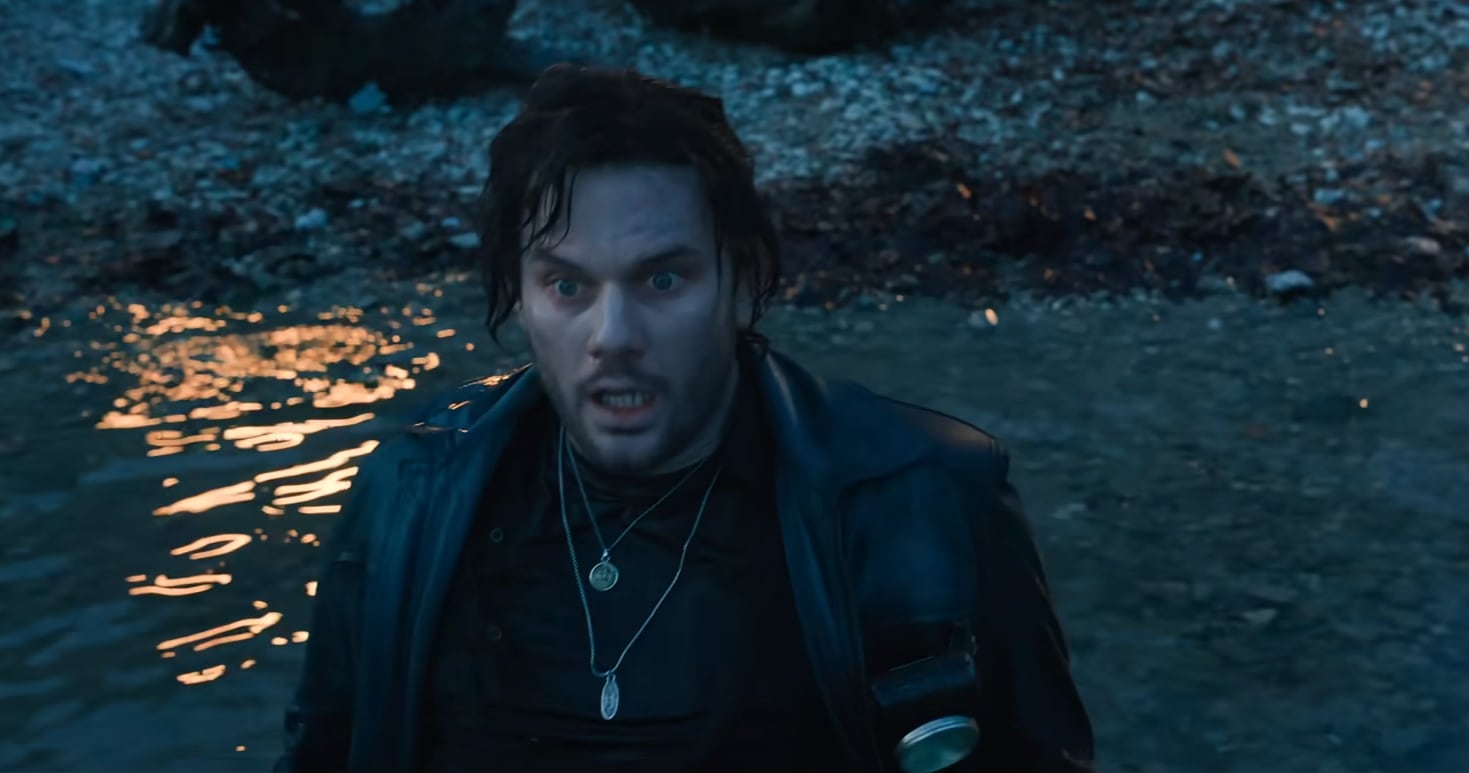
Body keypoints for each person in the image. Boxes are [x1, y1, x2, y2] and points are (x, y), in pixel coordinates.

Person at [274, 64, 1094, 773]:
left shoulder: (922, 495)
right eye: (567, 285)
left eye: (662, 280)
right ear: (519, 297)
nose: (613, 336)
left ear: (743, 281)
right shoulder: (410, 491)